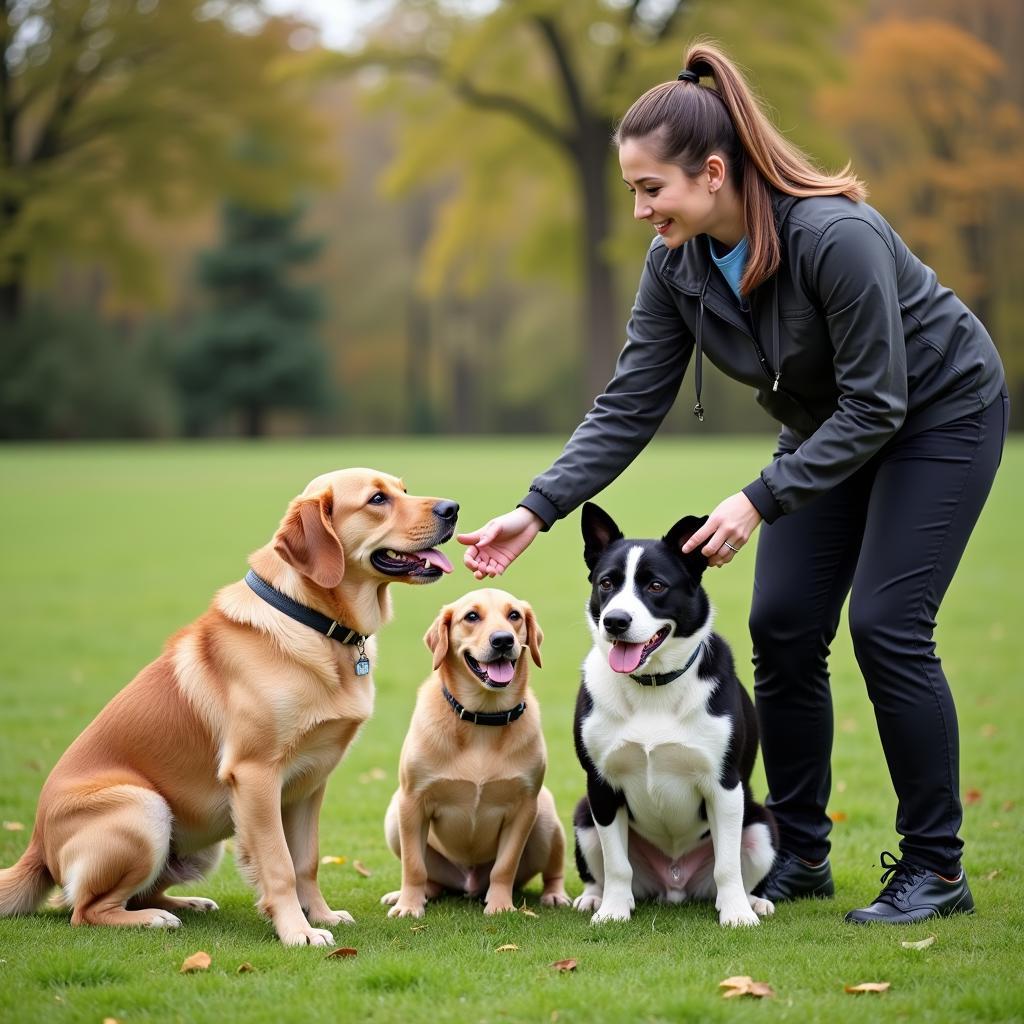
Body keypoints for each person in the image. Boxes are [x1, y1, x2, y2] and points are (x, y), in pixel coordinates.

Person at [457, 41, 1008, 925]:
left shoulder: (836, 238)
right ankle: (799, 857)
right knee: (783, 623)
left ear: (713, 173)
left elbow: (879, 402)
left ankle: (936, 869)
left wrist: (758, 498)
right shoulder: (676, 264)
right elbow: (631, 401)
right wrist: (537, 508)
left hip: (937, 412)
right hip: (830, 429)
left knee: (887, 624)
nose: (640, 210)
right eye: (633, 190)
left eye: (651, 190)